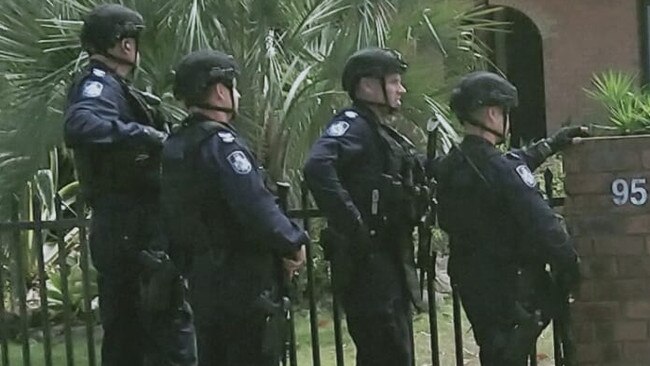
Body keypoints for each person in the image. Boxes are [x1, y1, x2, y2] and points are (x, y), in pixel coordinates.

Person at [64, 4, 195, 365]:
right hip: (130, 225)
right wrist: (148, 135)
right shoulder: (99, 85)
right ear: (123, 44)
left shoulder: (116, 88)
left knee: (130, 339)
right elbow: (82, 125)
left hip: (127, 225)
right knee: (165, 335)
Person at [162, 49, 309, 366]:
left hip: (202, 278)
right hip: (241, 279)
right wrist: (292, 242)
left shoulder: (176, 144)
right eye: (233, 86)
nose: (237, 94)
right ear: (219, 90)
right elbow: (254, 204)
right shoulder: (222, 144)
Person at [434, 71, 586, 365]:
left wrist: (552, 144)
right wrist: (570, 263)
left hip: (472, 280)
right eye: (504, 112)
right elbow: (543, 223)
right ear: (492, 114)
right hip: (512, 283)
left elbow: (514, 161)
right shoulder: (502, 170)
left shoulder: (451, 166)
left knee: (493, 351)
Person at [303, 47, 427, 366]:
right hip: (369, 265)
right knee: (385, 351)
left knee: (392, 350)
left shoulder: (378, 130)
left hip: (386, 258)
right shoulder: (353, 124)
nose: (402, 89)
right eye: (395, 81)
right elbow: (317, 166)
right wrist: (354, 225)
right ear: (369, 86)